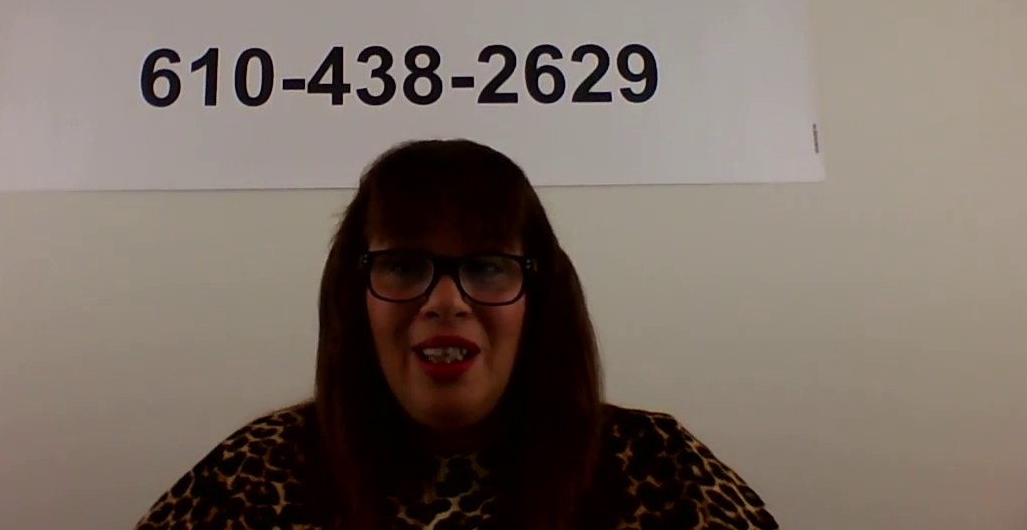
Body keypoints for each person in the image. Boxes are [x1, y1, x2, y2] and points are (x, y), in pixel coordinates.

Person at [132, 139, 780, 530]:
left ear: (540, 296)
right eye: (403, 265)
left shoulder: (664, 471)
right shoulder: (252, 479)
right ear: (354, 297)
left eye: (487, 267)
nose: (445, 302)